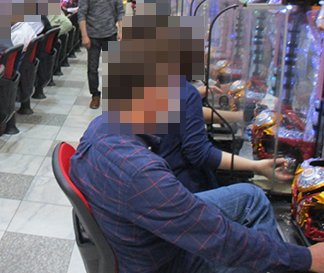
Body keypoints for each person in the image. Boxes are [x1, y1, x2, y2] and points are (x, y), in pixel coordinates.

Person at [70, 116, 323, 273]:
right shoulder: (143, 174)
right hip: (164, 260)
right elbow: (219, 238)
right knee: (243, 248)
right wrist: (305, 258)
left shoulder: (100, 127)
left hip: (135, 229)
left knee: (251, 197)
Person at [158, 80, 292, 193]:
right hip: (179, 189)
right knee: (252, 196)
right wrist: (256, 166)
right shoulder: (183, 91)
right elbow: (199, 152)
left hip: (155, 184)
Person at [78, 0, 124, 109]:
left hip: (111, 34)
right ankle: (95, 95)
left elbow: (120, 11)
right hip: (92, 36)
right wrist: (84, 35)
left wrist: (121, 30)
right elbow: (82, 14)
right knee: (92, 68)